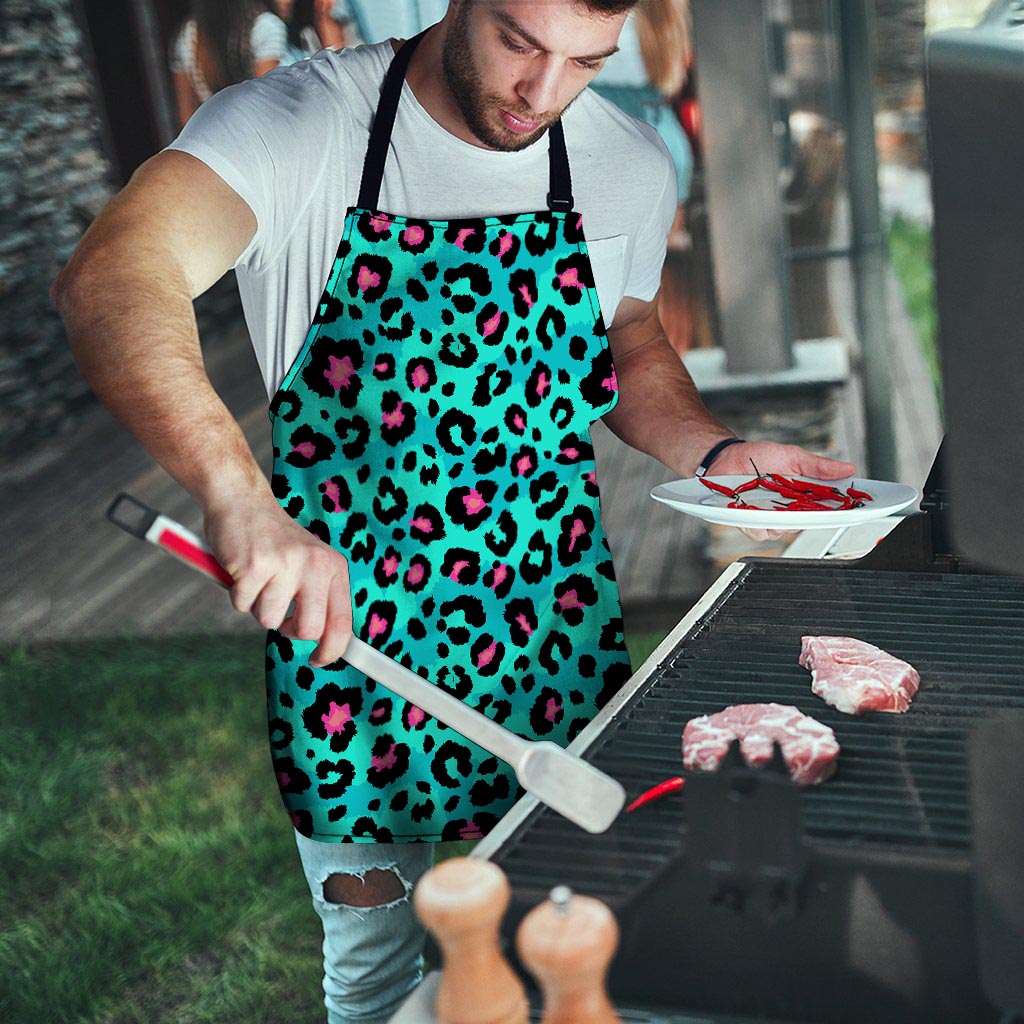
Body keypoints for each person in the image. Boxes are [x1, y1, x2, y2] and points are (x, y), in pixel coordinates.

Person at [52, 1, 856, 1020]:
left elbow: (630, 334)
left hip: (549, 632)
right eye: (520, 42)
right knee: (379, 972)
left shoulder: (624, 160)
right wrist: (237, 497)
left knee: (573, 941)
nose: (543, 92)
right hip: (350, 648)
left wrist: (717, 448)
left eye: (585, 61)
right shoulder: (298, 125)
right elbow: (112, 276)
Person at [170, 0, 289, 127]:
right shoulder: (265, 27)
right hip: (264, 136)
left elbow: (187, 117)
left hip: (215, 138)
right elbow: (266, 104)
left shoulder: (187, 36)